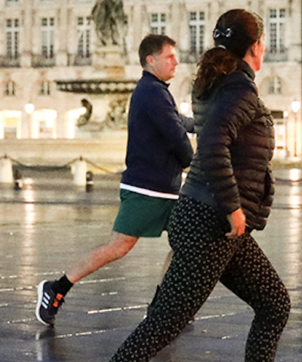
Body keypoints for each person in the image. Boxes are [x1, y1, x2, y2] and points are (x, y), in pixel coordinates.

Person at [75, 9, 294, 362]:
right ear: (255, 47)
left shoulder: (223, 85)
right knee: (162, 324)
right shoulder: (236, 90)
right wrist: (234, 209)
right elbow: (211, 149)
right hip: (210, 223)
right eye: (264, 41)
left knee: (273, 302)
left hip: (213, 223)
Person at [36, 33, 194, 326]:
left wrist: (208, 122)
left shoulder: (156, 90)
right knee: (118, 247)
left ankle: (164, 305)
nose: (176, 61)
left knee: (187, 241)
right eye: (170, 56)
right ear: (151, 59)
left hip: (164, 188)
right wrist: (195, 165)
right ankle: (56, 288)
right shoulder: (152, 92)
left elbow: (179, 122)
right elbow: (176, 135)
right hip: (148, 188)